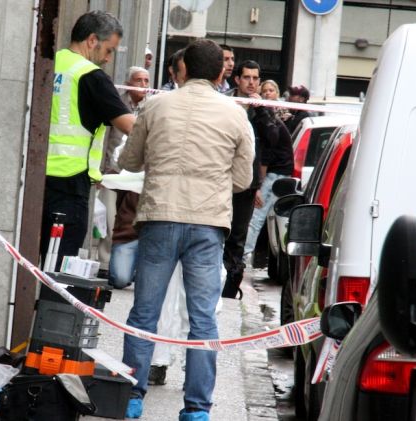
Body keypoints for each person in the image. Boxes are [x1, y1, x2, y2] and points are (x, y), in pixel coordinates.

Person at [118, 39, 254, 421]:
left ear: (182, 69)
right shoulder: (234, 114)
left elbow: (130, 158)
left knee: (145, 312)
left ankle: (132, 395)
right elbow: (243, 179)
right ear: (220, 72)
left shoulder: (155, 104)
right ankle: (196, 408)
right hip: (207, 223)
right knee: (203, 319)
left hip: (160, 216)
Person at [39, 11, 135, 297]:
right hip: (69, 184)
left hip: (33, 182)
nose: (108, 58)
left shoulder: (49, 63)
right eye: (108, 50)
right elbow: (129, 125)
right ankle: (51, 335)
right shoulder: (90, 76)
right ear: (92, 40)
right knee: (60, 268)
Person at [222, 60, 277, 299]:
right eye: (247, 78)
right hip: (221, 178)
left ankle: (230, 285)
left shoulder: (260, 107)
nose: (252, 82)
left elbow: (272, 139)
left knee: (238, 236)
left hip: (247, 184)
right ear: (237, 79)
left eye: (256, 78)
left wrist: (261, 108)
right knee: (218, 230)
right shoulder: (225, 101)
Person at [97, 66, 150, 278]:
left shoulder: (151, 106)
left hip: (139, 176)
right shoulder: (116, 103)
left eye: (147, 81)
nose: (143, 85)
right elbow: (105, 138)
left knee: (131, 221)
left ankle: (127, 267)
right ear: (129, 83)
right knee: (110, 221)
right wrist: (101, 171)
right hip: (114, 171)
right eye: (138, 80)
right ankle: (104, 264)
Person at [242, 81, 293, 262]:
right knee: (271, 218)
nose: (267, 94)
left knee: (257, 217)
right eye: (264, 91)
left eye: (271, 90)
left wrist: (259, 185)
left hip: (275, 173)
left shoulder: (266, 120)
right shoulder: (269, 116)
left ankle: (244, 255)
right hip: (278, 172)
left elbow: (266, 155)